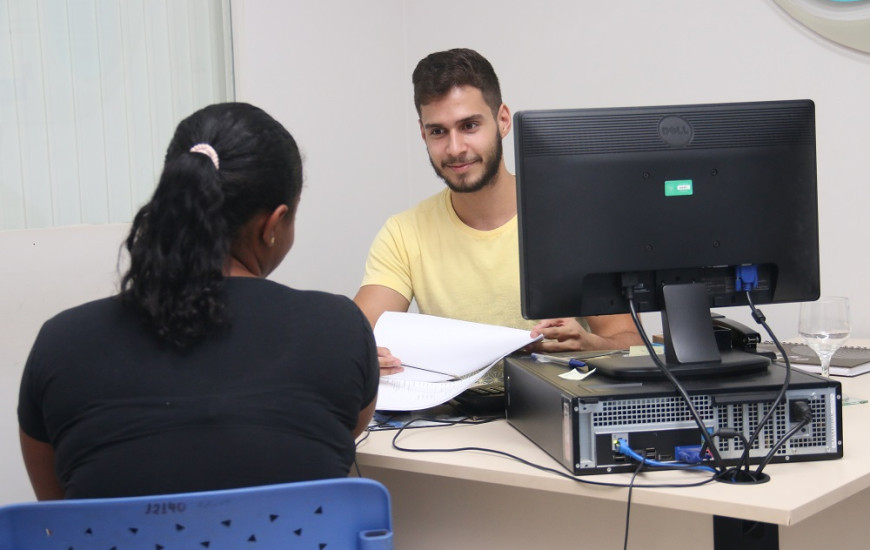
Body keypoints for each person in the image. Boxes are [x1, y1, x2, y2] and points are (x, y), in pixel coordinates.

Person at [17, 103, 379, 500]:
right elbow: (334, 439)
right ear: (273, 225)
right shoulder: (338, 328)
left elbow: (58, 518)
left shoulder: (61, 343)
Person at [354, 48, 642, 375]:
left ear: (502, 120)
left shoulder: (573, 219)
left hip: (556, 410)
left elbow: (631, 340)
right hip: (459, 418)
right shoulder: (404, 233)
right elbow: (355, 337)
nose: (455, 148)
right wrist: (362, 354)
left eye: (469, 125)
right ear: (423, 133)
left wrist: (589, 345)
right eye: (438, 132)